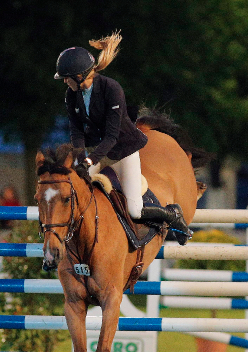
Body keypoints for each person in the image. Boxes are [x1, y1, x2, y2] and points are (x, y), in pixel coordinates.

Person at [54, 31, 192, 244]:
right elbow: (76, 130)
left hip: (123, 151)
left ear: (79, 76)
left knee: (135, 210)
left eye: (66, 78)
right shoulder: (71, 95)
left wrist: (90, 160)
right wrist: (81, 157)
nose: (64, 82)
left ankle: (171, 215)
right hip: (98, 152)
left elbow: (111, 136)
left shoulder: (111, 88)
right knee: (77, 192)